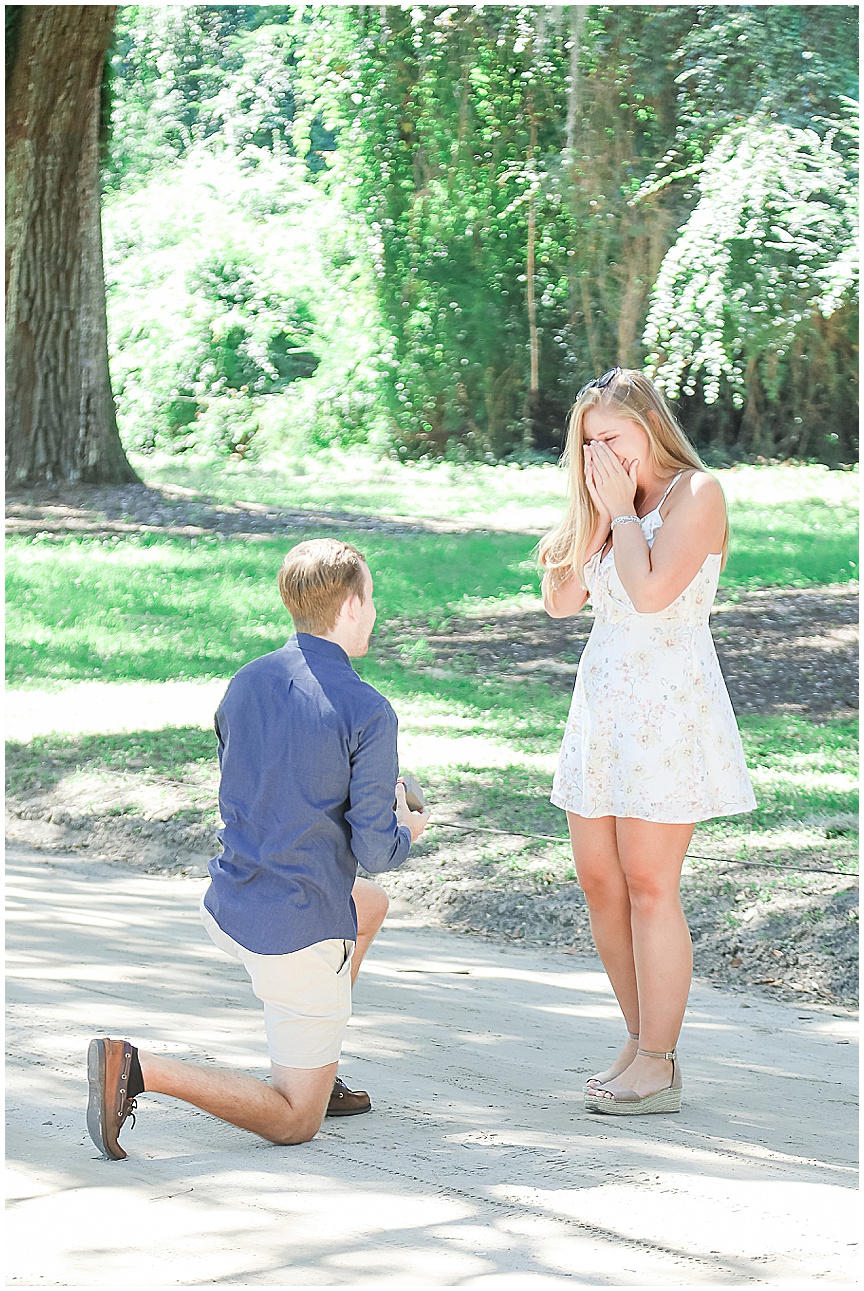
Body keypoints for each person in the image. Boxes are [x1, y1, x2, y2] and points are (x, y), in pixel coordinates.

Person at [87, 538, 429, 1159]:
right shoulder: (369, 709)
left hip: (231, 902)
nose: (374, 612)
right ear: (351, 607)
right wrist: (409, 827)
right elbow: (378, 851)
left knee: (369, 904)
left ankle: (317, 1066)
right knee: (296, 1122)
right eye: (371, 599)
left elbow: (272, 780)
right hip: (295, 933)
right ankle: (137, 1069)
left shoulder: (246, 682)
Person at [538, 368, 755, 1116]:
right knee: (601, 883)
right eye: (588, 441)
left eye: (613, 437)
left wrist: (625, 511)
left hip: (668, 706)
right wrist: (598, 514)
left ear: (649, 426)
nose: (600, 451)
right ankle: (638, 1039)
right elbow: (562, 600)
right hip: (603, 705)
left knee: (650, 884)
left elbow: (652, 592)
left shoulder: (696, 495)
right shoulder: (607, 502)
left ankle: (660, 1062)